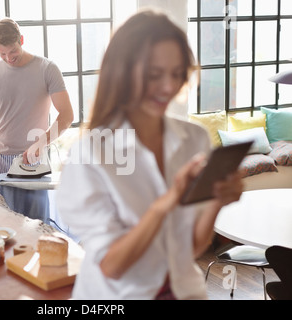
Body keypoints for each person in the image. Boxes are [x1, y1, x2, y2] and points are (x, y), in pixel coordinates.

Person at [56, 9, 244, 300]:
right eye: (154, 75)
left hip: (185, 291)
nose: (169, 87)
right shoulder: (92, 152)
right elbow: (112, 266)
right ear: (123, 72)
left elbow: (191, 248)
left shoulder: (194, 139)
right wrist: (167, 201)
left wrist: (217, 202)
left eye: (177, 74)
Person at [0, 18, 73, 223]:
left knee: (38, 225)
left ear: (21, 40)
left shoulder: (47, 69)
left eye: (13, 51)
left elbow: (67, 115)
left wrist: (40, 143)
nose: (8, 58)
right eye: (2, 53)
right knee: (3, 225)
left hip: (33, 159)